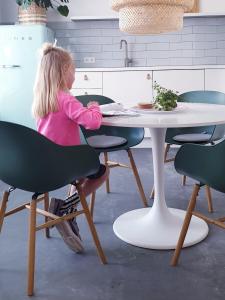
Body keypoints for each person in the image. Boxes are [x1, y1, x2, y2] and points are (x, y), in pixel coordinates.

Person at [32, 43, 109, 252]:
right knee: (101, 172)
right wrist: (93, 107)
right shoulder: (66, 99)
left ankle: (66, 211)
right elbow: (93, 123)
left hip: (44, 164)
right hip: (65, 165)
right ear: (64, 71)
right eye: (74, 71)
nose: (74, 77)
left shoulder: (41, 99)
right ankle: (65, 208)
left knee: (83, 174)